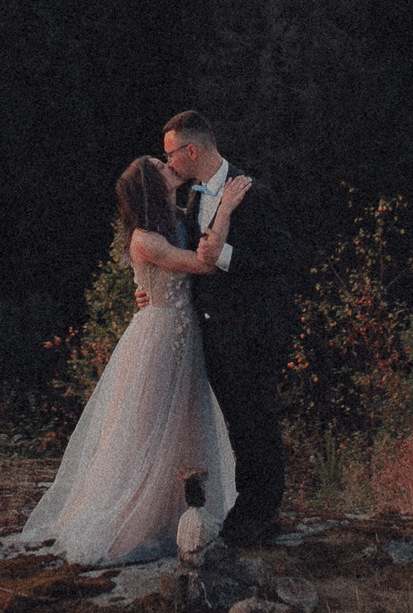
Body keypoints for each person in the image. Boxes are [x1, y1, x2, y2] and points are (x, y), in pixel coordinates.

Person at [15, 157, 240, 565]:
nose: (167, 164)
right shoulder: (143, 238)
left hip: (185, 335)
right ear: (150, 186)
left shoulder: (177, 218)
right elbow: (203, 264)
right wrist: (225, 208)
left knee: (186, 426)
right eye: (159, 165)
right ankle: (136, 520)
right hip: (158, 339)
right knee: (149, 429)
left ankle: (183, 514)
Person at [159, 109, 300, 546]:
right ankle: (252, 508)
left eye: (172, 156)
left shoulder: (253, 194)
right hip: (213, 333)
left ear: (192, 150)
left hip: (250, 330)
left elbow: (281, 261)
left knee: (258, 423)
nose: (170, 165)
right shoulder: (197, 199)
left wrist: (224, 255)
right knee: (238, 426)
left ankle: (260, 514)